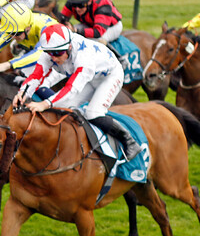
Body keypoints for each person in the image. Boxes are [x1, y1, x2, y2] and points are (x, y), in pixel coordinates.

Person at [13, 23, 141, 161]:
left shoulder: (84, 58)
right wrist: (22, 94)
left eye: (57, 53)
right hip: (90, 77)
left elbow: (71, 89)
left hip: (110, 76)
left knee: (93, 113)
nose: (53, 58)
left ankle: (129, 141)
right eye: (50, 53)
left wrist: (44, 104)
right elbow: (36, 76)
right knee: (63, 108)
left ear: (69, 47)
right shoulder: (51, 51)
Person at [0, 2, 60, 75]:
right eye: (10, 33)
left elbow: (40, 54)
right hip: (36, 49)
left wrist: (8, 64)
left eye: (16, 34)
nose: (13, 37)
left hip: (59, 57)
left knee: (26, 74)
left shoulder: (46, 28)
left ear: (28, 28)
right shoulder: (14, 27)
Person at [58, 0, 123, 43]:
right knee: (70, 35)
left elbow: (98, 32)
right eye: (74, 5)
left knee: (95, 42)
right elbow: (61, 19)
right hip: (90, 24)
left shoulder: (102, 4)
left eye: (81, 5)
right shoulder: (74, 0)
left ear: (89, 1)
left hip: (111, 27)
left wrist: (76, 30)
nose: (77, 9)